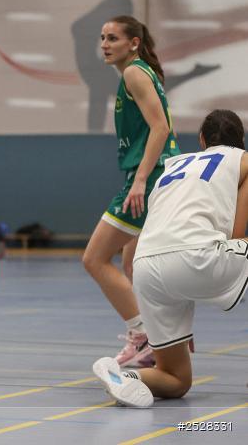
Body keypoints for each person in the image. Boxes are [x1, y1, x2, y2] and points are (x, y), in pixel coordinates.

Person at [93, 109, 247, 407]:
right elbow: (235, 237)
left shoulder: (172, 165)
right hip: (197, 258)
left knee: (176, 380)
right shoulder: (243, 160)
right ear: (240, 140)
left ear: (202, 140)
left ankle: (123, 377)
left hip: (147, 269)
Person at [81, 16, 180, 371]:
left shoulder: (134, 73)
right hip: (158, 174)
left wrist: (139, 181)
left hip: (148, 177)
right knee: (132, 264)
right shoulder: (141, 73)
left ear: (134, 43)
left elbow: (161, 127)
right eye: (102, 37)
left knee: (94, 259)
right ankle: (164, 335)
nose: (105, 44)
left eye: (113, 38)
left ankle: (142, 333)